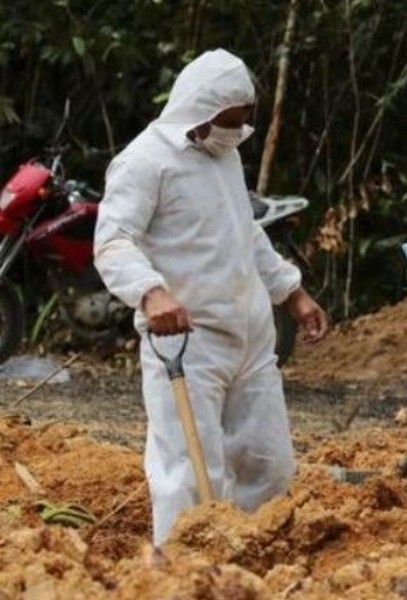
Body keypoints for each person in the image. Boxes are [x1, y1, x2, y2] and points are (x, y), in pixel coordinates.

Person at [94, 49, 331, 546]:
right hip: (187, 344)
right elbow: (113, 241)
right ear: (199, 111)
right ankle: (184, 568)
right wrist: (151, 294)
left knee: (268, 465)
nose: (236, 131)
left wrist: (292, 293)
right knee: (188, 469)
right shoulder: (144, 162)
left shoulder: (226, 156)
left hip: (251, 341)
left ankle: (253, 558)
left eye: (243, 121)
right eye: (229, 121)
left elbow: (246, 231)